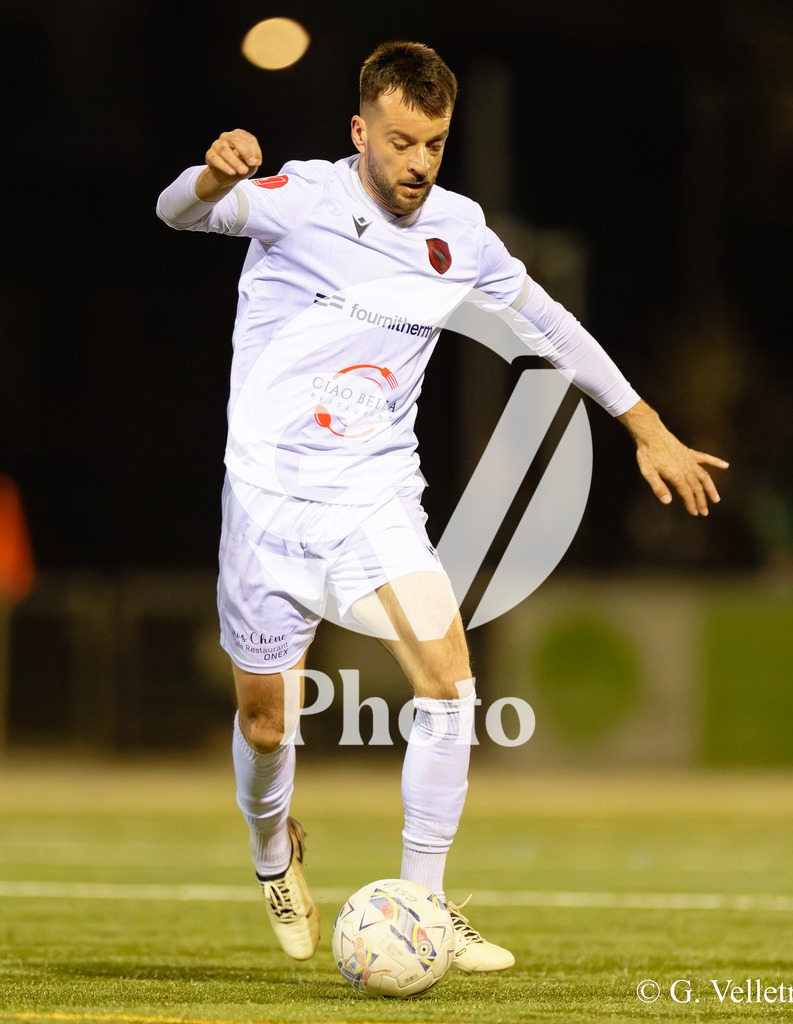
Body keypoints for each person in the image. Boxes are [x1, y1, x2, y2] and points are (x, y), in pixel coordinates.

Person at [156, 40, 728, 973]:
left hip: (374, 494)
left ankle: (422, 902)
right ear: (359, 131)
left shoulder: (457, 231)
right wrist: (208, 176)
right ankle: (272, 852)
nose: (417, 162)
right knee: (267, 723)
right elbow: (174, 212)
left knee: (448, 682)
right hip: (267, 500)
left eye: (433, 143)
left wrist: (646, 426)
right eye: (399, 141)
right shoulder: (298, 199)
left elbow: (548, 324)